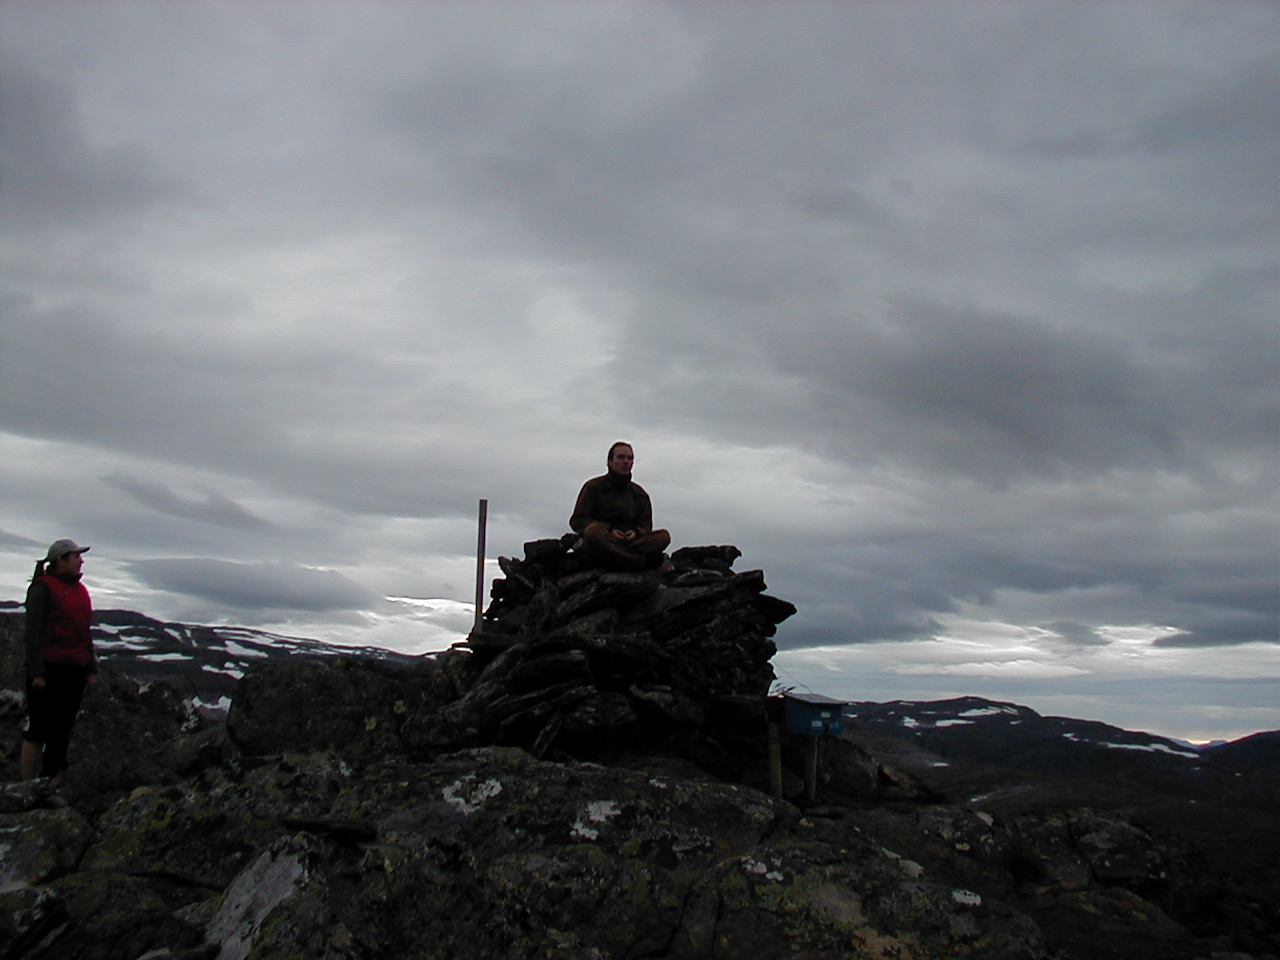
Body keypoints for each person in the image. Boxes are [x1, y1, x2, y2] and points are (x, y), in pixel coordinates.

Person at [21, 539, 97, 786]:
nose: (81, 560)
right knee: (39, 729)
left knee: (62, 730)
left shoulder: (80, 590)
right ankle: (28, 786)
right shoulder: (42, 589)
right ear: (61, 560)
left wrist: (90, 668)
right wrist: (37, 673)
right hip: (49, 669)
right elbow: (32, 632)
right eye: (76, 557)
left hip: (73, 670)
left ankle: (50, 785)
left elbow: (83, 632)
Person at [570, 442, 671, 571]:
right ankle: (635, 560)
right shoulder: (593, 487)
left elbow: (646, 526)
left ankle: (622, 557)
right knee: (593, 532)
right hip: (605, 539)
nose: (626, 462)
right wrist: (610, 530)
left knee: (663, 536)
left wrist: (635, 533)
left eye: (629, 458)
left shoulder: (639, 494)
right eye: (621, 457)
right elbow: (578, 521)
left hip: (631, 543)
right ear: (610, 462)